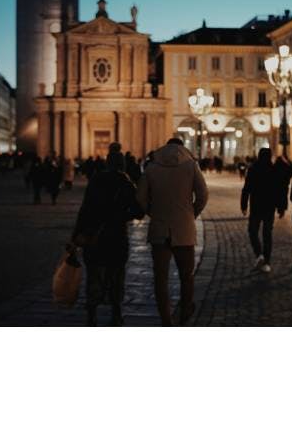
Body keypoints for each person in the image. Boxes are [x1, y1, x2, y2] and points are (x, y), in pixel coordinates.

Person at [71, 143, 144, 326]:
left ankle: (92, 313)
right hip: (117, 237)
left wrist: (76, 235)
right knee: (117, 275)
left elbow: (85, 210)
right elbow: (139, 211)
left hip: (95, 236)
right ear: (122, 165)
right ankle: (116, 312)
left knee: (94, 275)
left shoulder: (95, 181)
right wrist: (121, 216)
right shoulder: (126, 183)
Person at [138, 138, 208, 326]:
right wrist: (192, 212)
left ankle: (165, 318)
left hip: (159, 228)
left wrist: (152, 212)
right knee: (187, 275)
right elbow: (203, 195)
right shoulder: (191, 166)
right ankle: (185, 309)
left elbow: (141, 198)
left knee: (160, 278)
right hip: (183, 228)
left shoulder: (152, 167)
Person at [240, 148, 286, 273]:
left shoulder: (253, 170)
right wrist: (281, 207)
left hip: (256, 206)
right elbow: (279, 190)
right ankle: (266, 262)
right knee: (267, 234)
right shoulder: (274, 170)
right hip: (269, 207)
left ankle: (259, 254)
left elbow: (246, 189)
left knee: (252, 231)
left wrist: (244, 205)